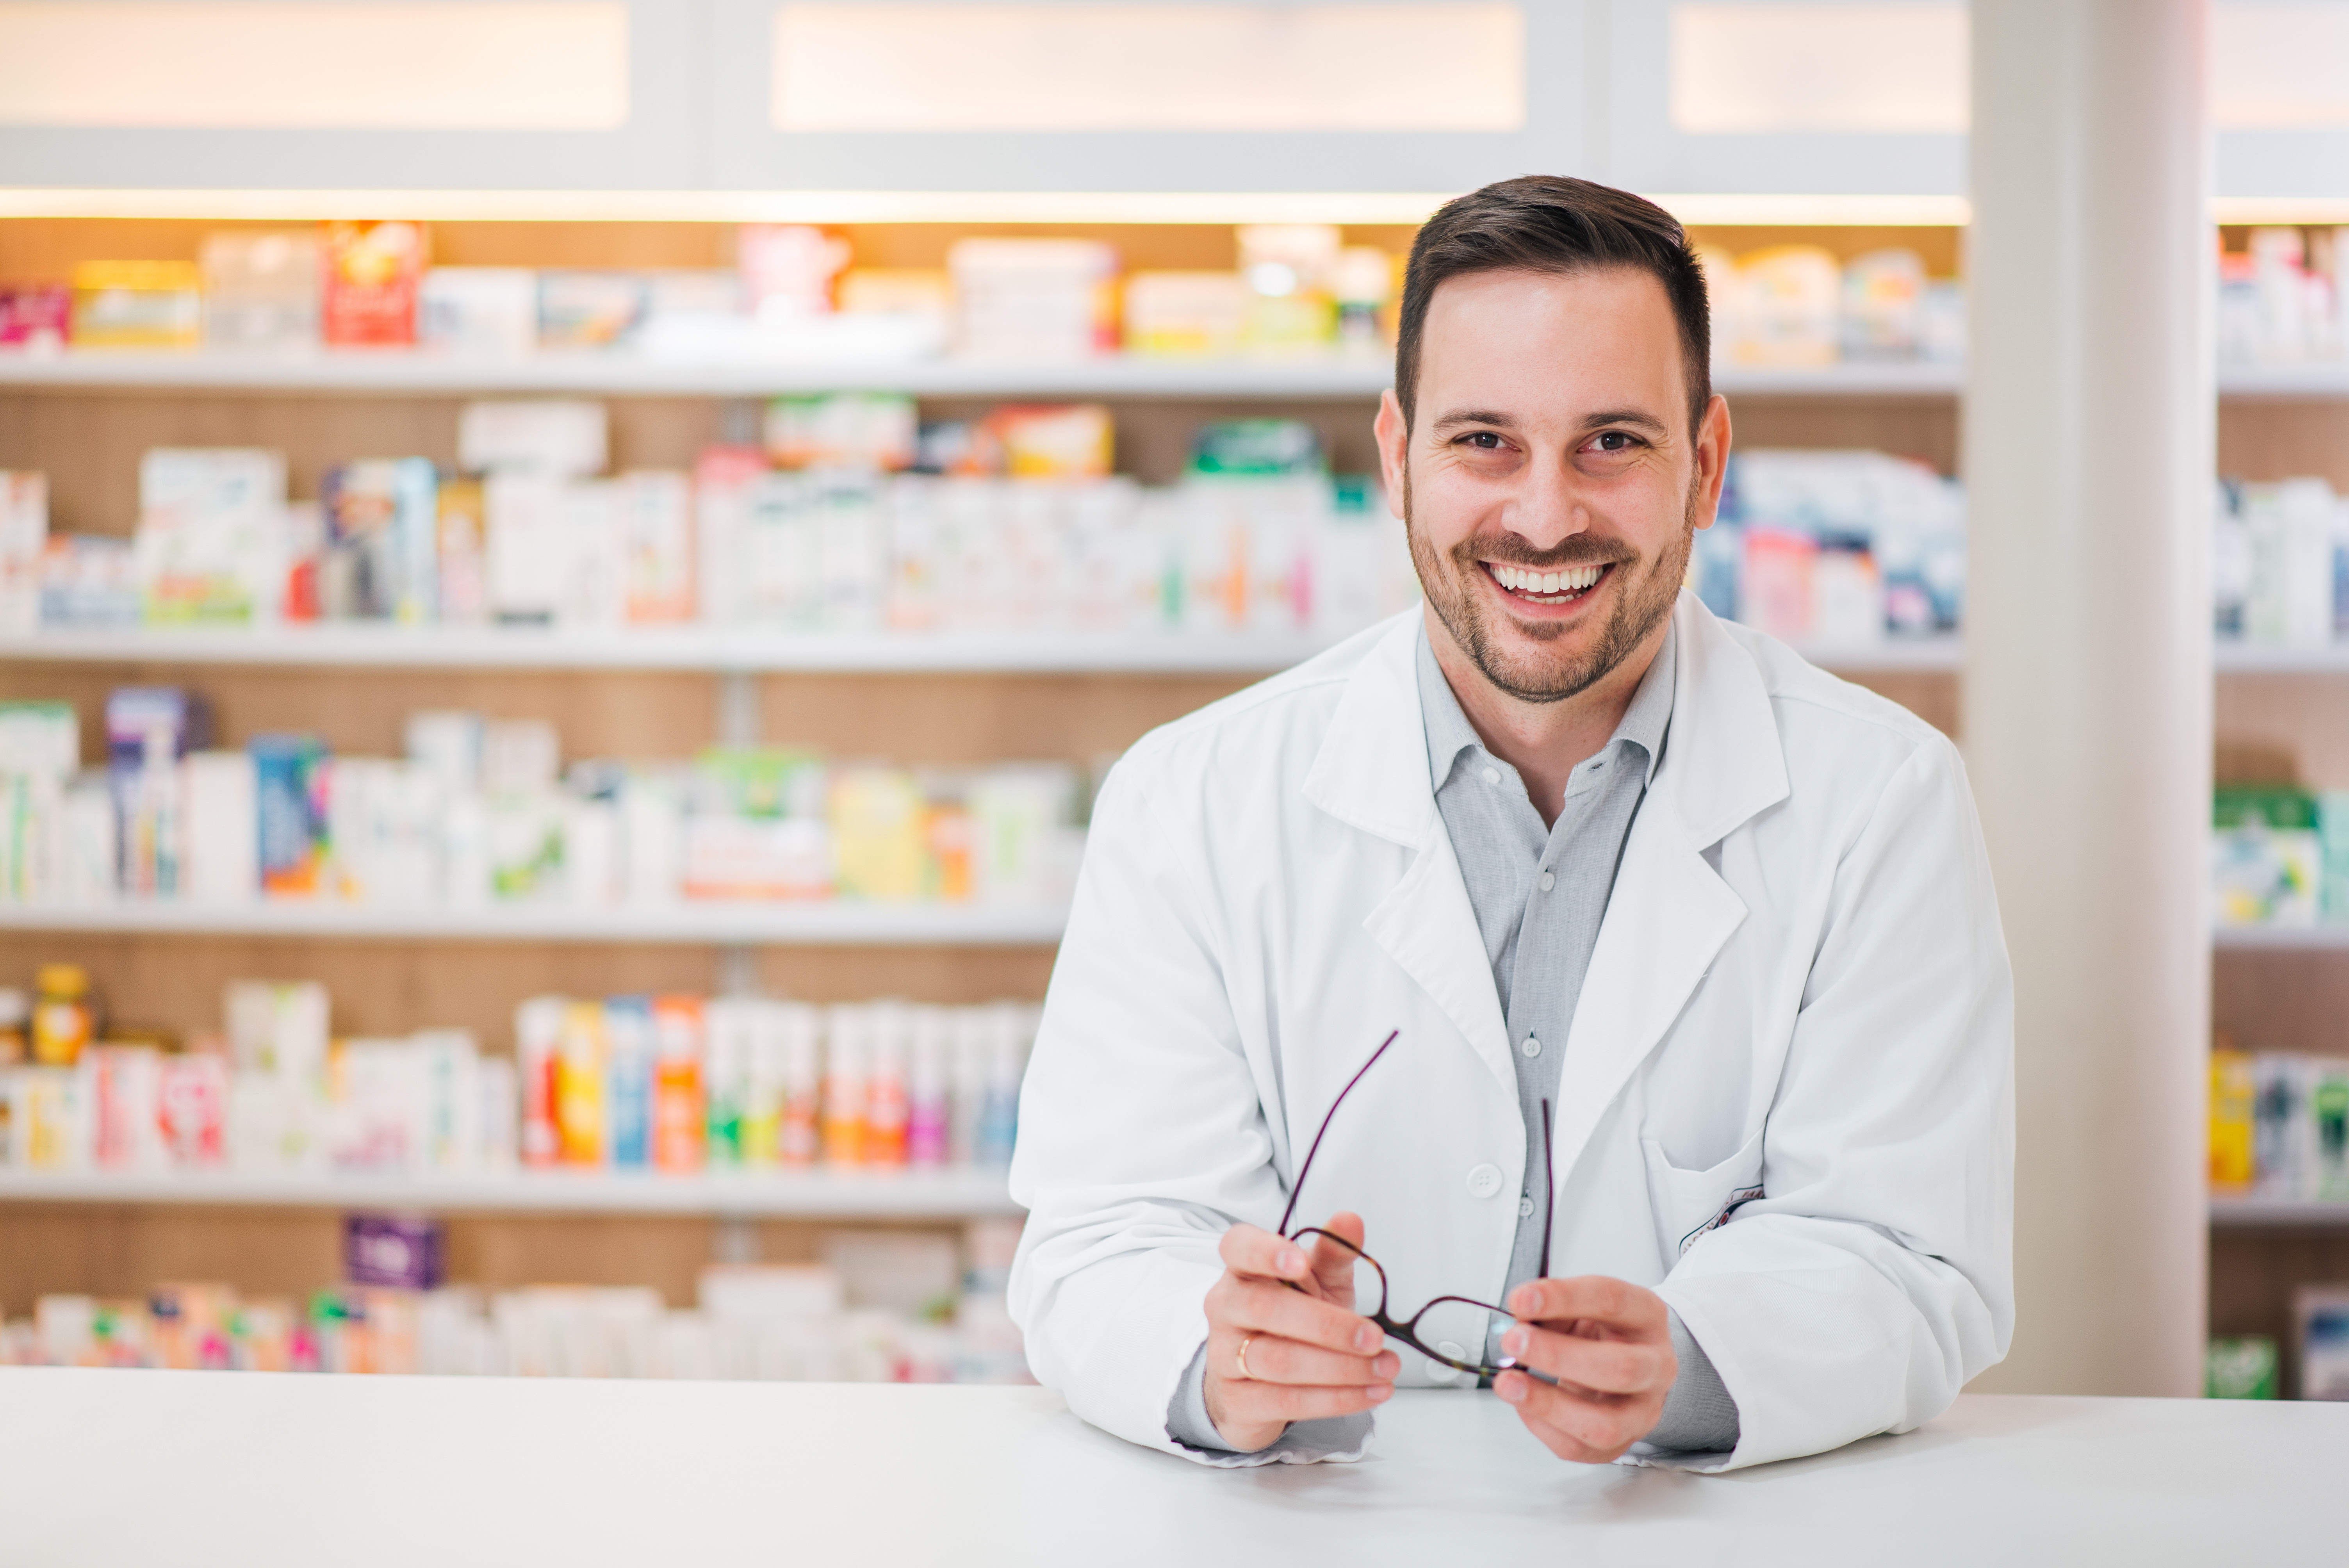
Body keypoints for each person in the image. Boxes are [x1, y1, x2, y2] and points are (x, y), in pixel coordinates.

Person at [1006, 175, 2013, 1472]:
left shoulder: (1882, 799)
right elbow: (1103, 1235)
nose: (1544, 516)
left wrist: (1698, 1360)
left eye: (1613, 443)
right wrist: (1221, 1359)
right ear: (1396, 455)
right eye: (1485, 441)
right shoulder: (1192, 798)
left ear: (1704, 464)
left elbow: (1906, 1248)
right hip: (1312, 1527)